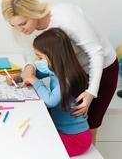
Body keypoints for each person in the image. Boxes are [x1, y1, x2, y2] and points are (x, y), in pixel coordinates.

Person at [1, 0, 119, 144]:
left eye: (22, 23)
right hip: (73, 72)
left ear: (33, 12)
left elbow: (96, 52)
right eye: (13, 26)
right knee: (66, 123)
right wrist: (29, 69)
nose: (20, 30)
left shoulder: (66, 17)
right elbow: (35, 52)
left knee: (89, 127)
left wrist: (91, 92)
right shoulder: (31, 28)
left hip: (101, 70)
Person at [12, 28, 92, 156]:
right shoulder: (55, 68)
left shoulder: (67, 78)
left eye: (40, 57)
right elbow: (35, 73)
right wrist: (19, 76)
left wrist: (34, 81)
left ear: (54, 55)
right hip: (62, 131)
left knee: (30, 146)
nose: (37, 61)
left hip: (75, 139)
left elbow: (50, 101)